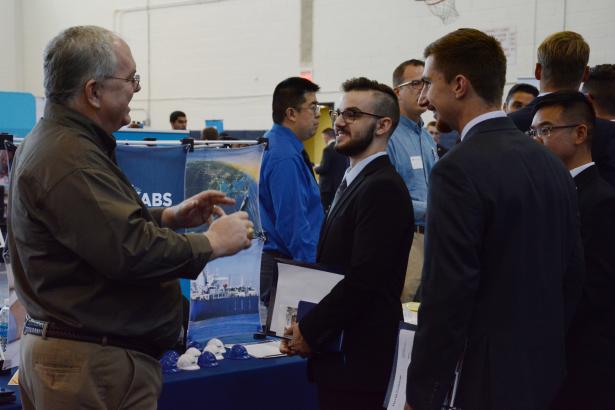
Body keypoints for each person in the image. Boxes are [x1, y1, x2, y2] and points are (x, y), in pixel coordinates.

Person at [7, 26, 253, 409]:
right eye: (131, 79)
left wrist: (167, 218)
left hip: (88, 360)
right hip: (90, 367)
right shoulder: (69, 158)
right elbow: (129, 250)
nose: (136, 89)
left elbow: (96, 231)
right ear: (93, 92)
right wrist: (212, 242)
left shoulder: (63, 146)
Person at [405, 28, 584, 410]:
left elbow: (447, 296)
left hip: (484, 380)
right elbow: (571, 277)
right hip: (543, 372)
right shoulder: (552, 165)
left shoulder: (456, 170)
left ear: (458, 85)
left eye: (428, 84)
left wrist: (423, 394)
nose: (423, 99)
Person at [281, 77, 413, 410]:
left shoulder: (382, 187)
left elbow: (365, 278)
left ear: (383, 125)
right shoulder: (355, 179)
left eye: (352, 114)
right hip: (341, 354)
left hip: (360, 359)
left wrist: (310, 329)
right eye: (339, 112)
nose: (338, 121)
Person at [529, 91, 615, 410]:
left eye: (547, 130)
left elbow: (597, 291)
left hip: (582, 359)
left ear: (580, 133)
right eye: (534, 131)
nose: (536, 139)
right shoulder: (552, 193)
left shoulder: (601, 201)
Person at [508, 31, 615, 188]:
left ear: (538, 70)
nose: (536, 138)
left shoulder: (508, 124)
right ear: (586, 74)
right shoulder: (609, 133)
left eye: (545, 130)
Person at [258, 77, 324, 305]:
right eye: (313, 107)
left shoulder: (276, 143)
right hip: (285, 265)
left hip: (281, 262)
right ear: (291, 113)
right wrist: (312, 271)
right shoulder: (284, 157)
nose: (318, 114)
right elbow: (292, 222)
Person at [387, 59, 438, 302]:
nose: (423, 89)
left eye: (426, 82)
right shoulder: (389, 137)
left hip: (434, 236)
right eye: (416, 83)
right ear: (398, 91)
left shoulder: (427, 137)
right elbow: (388, 197)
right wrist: (435, 209)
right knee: (402, 308)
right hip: (408, 239)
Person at [314, 127, 348, 211]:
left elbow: (324, 168)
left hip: (327, 187)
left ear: (326, 136)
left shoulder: (327, 149)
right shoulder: (342, 148)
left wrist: (315, 168)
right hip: (339, 184)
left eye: (323, 137)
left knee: (325, 210)